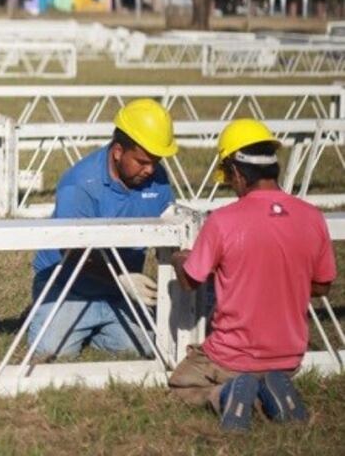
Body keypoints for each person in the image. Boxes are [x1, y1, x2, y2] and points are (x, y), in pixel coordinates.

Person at [169, 118, 336, 432]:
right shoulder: (312, 218)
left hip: (232, 359)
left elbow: (191, 280)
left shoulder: (223, 221)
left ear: (236, 172)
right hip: (288, 358)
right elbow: (322, 285)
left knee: (181, 385)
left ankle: (226, 395)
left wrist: (180, 259)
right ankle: (272, 391)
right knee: (265, 375)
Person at [27, 98, 177, 359]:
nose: (150, 169)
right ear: (118, 151)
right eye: (142, 161)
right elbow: (71, 250)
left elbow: (171, 233)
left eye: (156, 161)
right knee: (51, 351)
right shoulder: (80, 184)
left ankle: (98, 326)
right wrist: (121, 278)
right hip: (68, 285)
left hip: (120, 293)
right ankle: (48, 311)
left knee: (145, 346)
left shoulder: (158, 181)